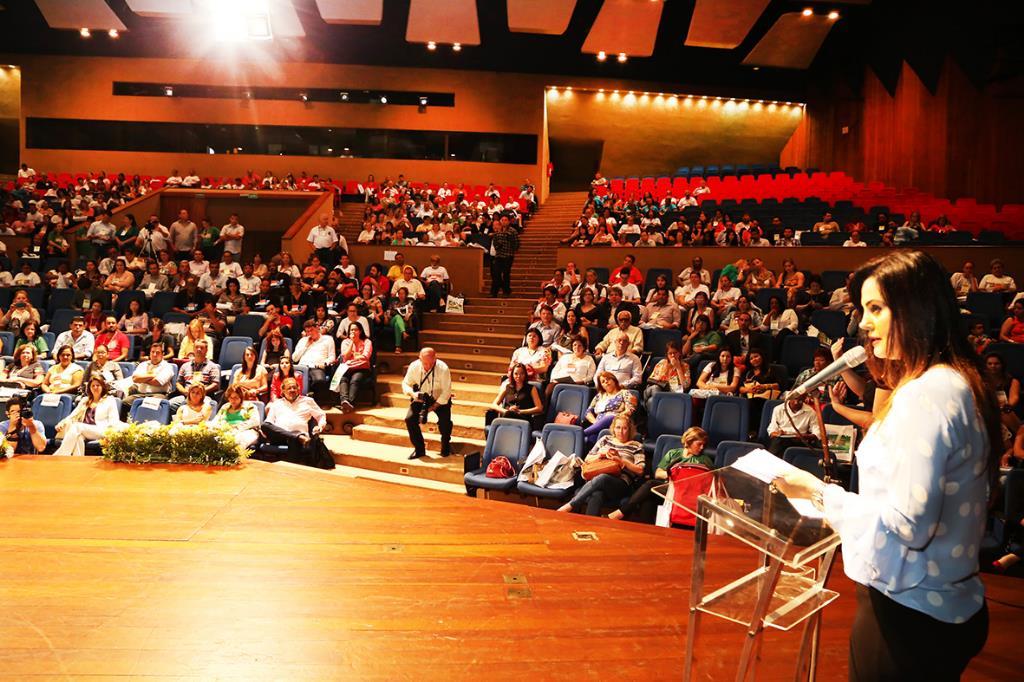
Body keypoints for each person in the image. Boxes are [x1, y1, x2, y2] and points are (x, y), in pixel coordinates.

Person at [775, 251, 999, 681]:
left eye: (876, 309)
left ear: (916, 310)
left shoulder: (927, 394)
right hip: (941, 607)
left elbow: (908, 526)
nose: (863, 323)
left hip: (911, 616)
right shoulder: (950, 381)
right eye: (863, 310)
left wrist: (817, 492)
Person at [607, 427, 711, 522]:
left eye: (703, 445)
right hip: (669, 488)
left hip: (687, 492)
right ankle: (646, 532)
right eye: (699, 444)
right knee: (648, 498)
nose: (702, 448)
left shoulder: (704, 460)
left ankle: (622, 512)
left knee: (650, 484)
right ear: (689, 441)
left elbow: (711, 480)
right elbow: (658, 473)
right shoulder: (673, 453)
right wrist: (672, 474)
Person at [558, 415, 644, 516]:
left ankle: (571, 505)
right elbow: (587, 459)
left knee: (603, 478)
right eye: (618, 427)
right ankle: (590, 526)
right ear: (613, 428)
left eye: (624, 428)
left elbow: (640, 470)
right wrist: (600, 454)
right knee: (597, 493)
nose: (620, 431)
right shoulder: (605, 439)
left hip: (621, 484)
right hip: (598, 480)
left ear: (630, 429)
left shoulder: (636, 446)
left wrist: (621, 461)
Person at [259, 377, 330, 468]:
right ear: (283, 390)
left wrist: (319, 426)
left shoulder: (308, 401)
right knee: (265, 425)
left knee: (294, 438)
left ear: (298, 389)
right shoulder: (276, 403)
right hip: (279, 437)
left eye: (294, 387)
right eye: (289, 388)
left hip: (298, 437)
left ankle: (290, 468)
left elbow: (320, 415)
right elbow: (269, 422)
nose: (292, 390)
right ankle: (298, 437)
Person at [402, 348, 453, 460]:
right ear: (420, 359)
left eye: (431, 362)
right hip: (421, 398)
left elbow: (446, 391)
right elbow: (406, 384)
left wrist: (433, 406)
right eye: (425, 363)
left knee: (445, 423)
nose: (429, 366)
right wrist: (413, 394)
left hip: (440, 399)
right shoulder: (414, 366)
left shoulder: (443, 368)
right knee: (410, 419)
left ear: (435, 358)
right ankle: (419, 449)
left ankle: (445, 446)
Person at [53, 376, 122, 456]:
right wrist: (62, 422)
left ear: (102, 387)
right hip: (84, 431)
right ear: (89, 388)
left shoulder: (109, 400)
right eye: (93, 385)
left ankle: (59, 456)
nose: (95, 387)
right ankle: (78, 463)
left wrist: (111, 435)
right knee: (78, 438)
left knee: (76, 427)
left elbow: (114, 420)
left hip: (102, 430)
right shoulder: (85, 400)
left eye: (98, 385)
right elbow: (72, 416)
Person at [582, 372, 637, 446]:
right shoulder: (599, 396)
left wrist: (618, 416)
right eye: (603, 382)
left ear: (614, 380)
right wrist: (597, 423)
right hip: (598, 423)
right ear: (601, 385)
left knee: (610, 416)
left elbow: (630, 409)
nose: (606, 382)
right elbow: (588, 412)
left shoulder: (624, 393)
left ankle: (581, 433)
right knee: (591, 438)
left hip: (615, 421)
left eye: (608, 379)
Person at [293, 320, 337, 404]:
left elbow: (332, 356)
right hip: (302, 367)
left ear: (317, 328)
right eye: (307, 331)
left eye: (311, 330)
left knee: (319, 380)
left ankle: (314, 401)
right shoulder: (303, 341)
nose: (310, 333)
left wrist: (324, 363)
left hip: (316, 367)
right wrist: (306, 345)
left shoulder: (328, 339)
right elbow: (294, 358)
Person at [334, 322, 373, 413]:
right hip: (347, 368)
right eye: (351, 330)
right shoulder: (346, 342)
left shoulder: (367, 342)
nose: (353, 332)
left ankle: (349, 403)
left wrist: (353, 357)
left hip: (362, 368)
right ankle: (345, 401)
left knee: (355, 379)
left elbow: (365, 356)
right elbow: (345, 357)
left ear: (360, 331)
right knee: (342, 378)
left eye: (356, 329)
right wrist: (352, 342)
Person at [124, 342, 176, 410]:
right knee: (125, 402)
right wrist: (153, 375)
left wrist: (142, 379)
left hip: (158, 395)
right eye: (152, 352)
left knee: (149, 404)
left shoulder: (167, 366)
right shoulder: (143, 364)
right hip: (141, 394)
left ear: (162, 354)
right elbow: (135, 379)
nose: (154, 355)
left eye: (157, 352)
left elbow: (157, 382)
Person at [212, 386, 262, 450]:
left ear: (241, 397)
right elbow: (216, 420)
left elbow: (255, 421)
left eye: (236, 397)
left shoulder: (250, 406)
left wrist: (236, 427)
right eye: (231, 398)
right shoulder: (225, 407)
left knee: (238, 439)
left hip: (247, 431)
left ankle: (237, 458)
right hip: (227, 431)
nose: (233, 400)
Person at [490, 218, 519, 297]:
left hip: (508, 255)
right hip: (499, 255)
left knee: (506, 274)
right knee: (496, 274)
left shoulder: (513, 231)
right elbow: (495, 242)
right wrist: (498, 246)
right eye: (502, 220)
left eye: (506, 220)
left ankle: (506, 292)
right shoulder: (498, 231)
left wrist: (511, 249)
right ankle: (496, 292)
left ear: (509, 221)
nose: (504, 222)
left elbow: (516, 244)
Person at [386, 287, 417, 354]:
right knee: (397, 317)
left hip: (404, 322)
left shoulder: (410, 302)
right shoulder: (394, 302)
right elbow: (388, 311)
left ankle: (398, 347)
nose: (401, 295)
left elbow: (413, 311)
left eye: (403, 293)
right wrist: (388, 315)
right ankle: (404, 333)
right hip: (392, 320)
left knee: (398, 325)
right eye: (399, 293)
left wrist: (409, 315)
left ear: (406, 294)